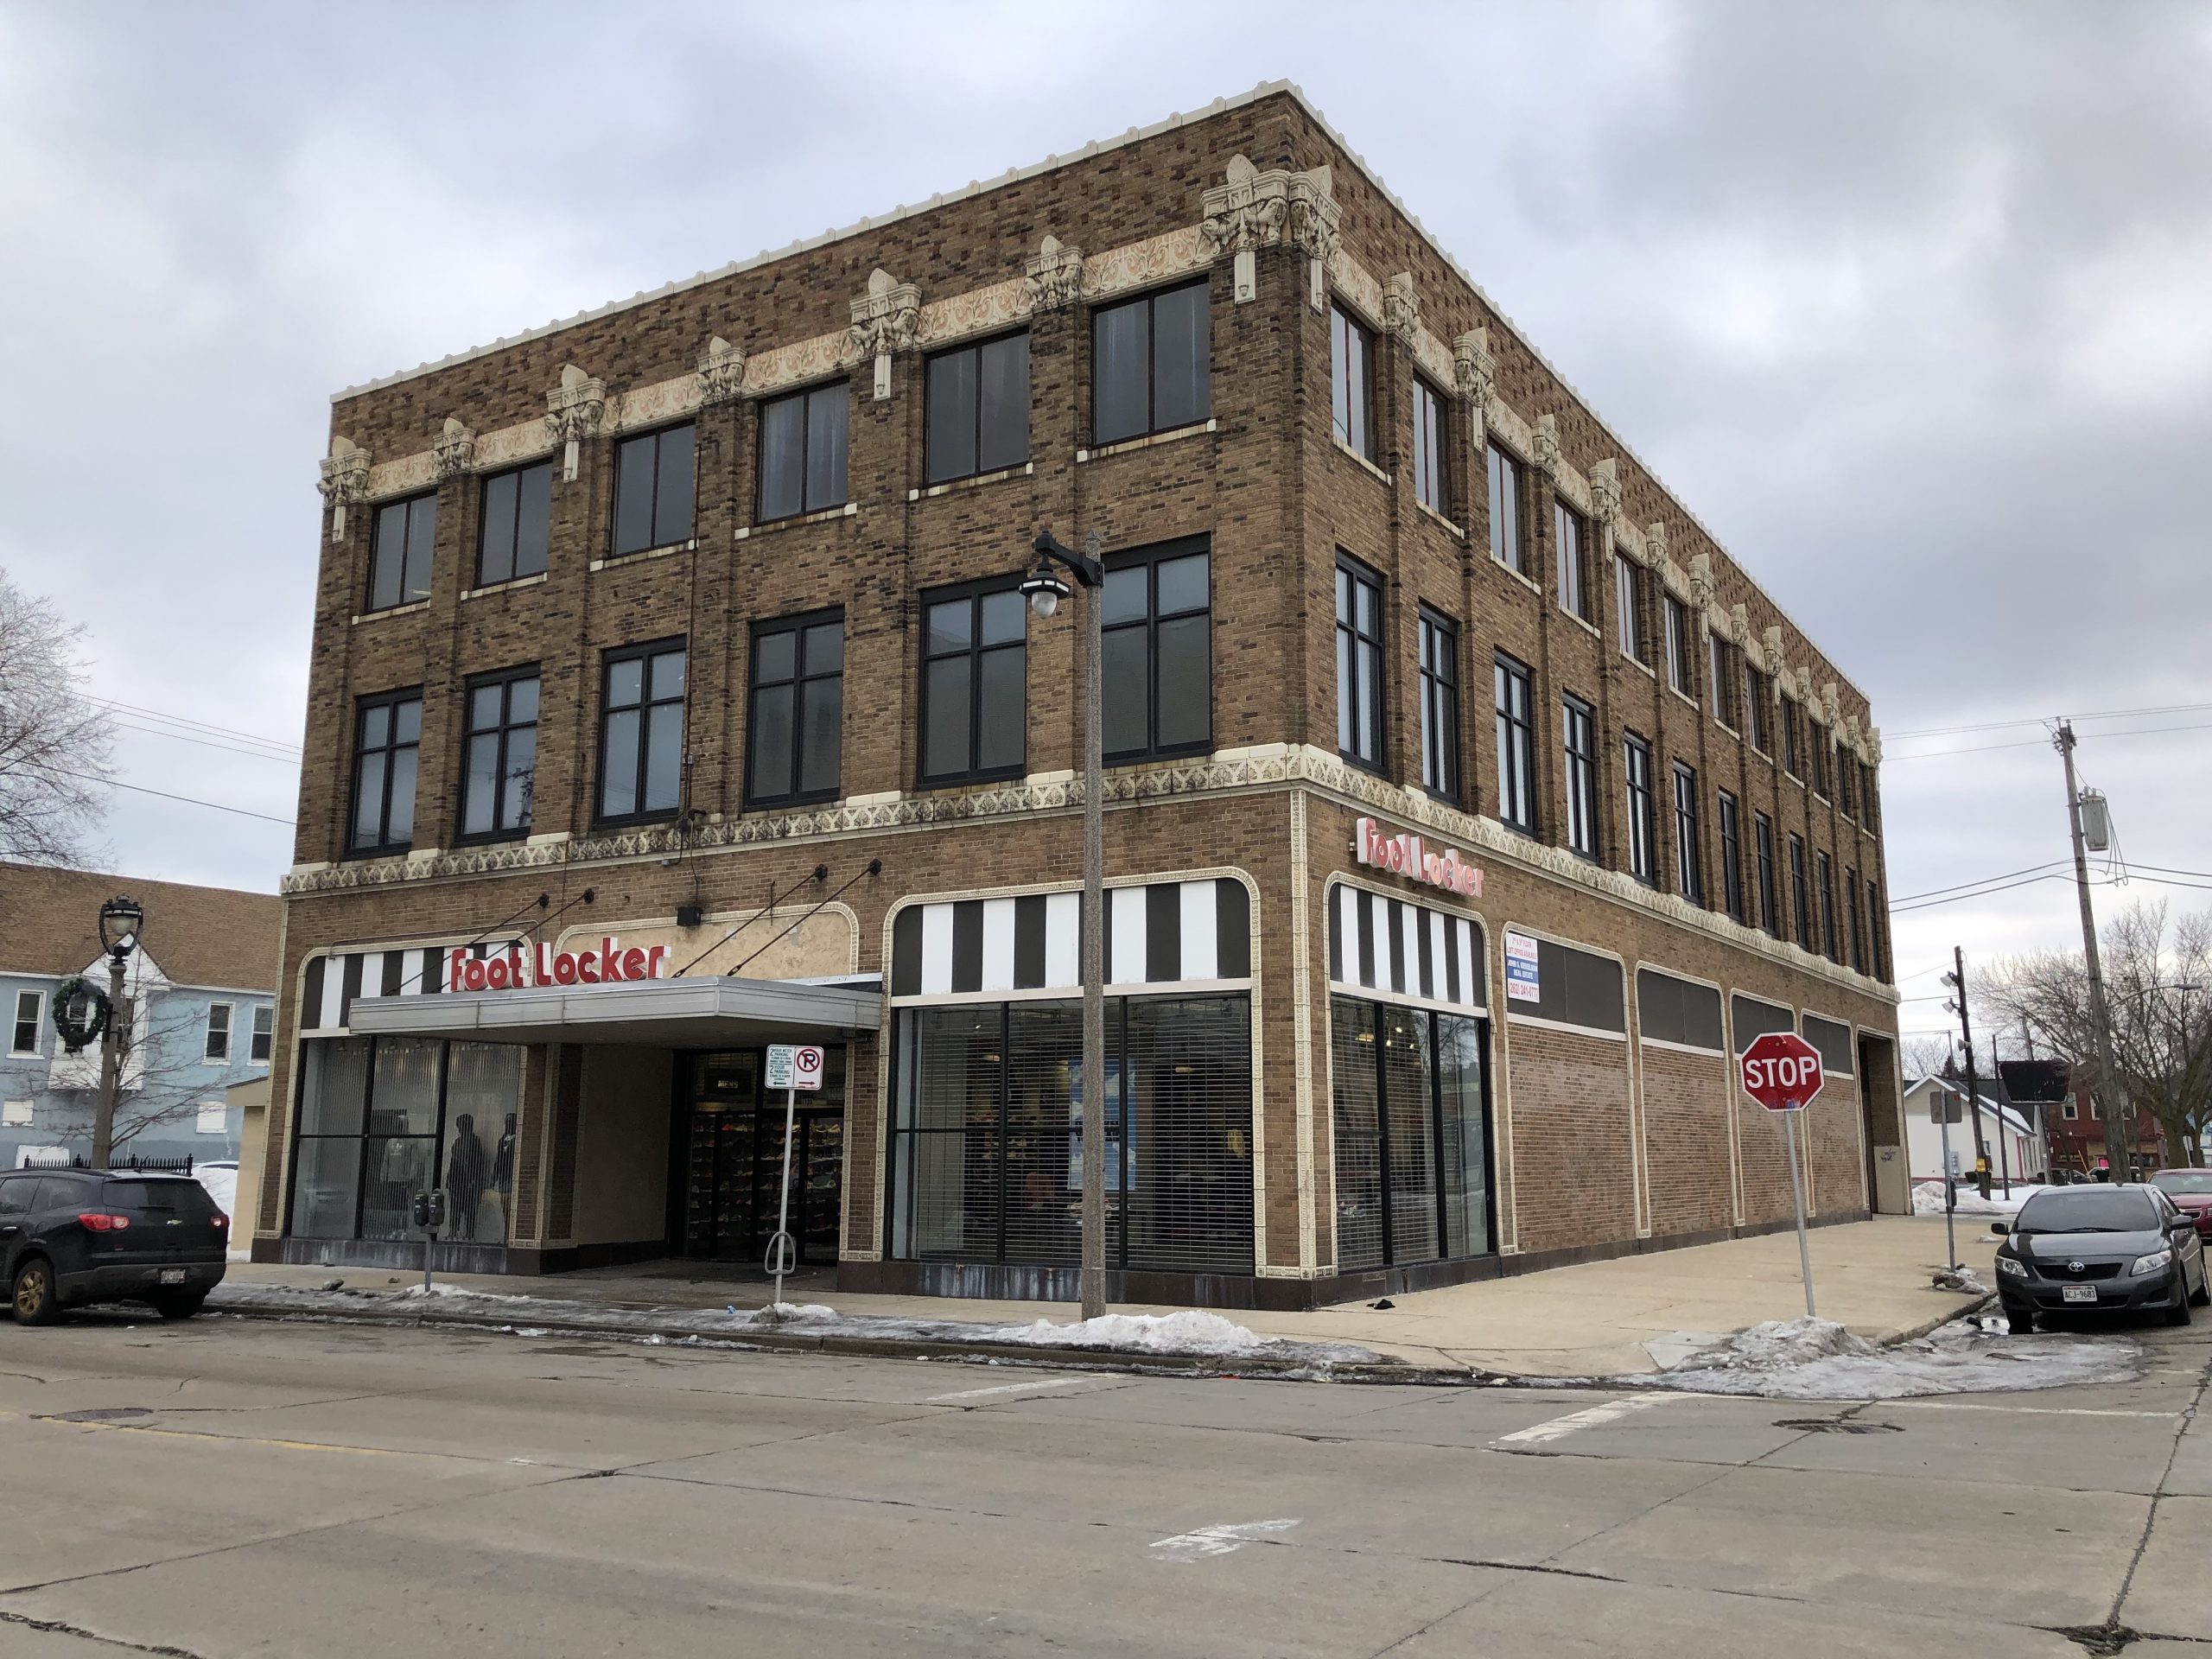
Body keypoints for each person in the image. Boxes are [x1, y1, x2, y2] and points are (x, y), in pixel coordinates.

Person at [447, 1113, 490, 1240]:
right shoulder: (458, 1142)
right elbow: (453, 1161)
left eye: (461, 1125)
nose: (459, 1128)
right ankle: (453, 1232)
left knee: (469, 1208)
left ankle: (469, 1234)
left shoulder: (474, 1141)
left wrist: (474, 1180)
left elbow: (477, 1162)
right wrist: (449, 1177)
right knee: (455, 1208)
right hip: (456, 1180)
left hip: (468, 1181)